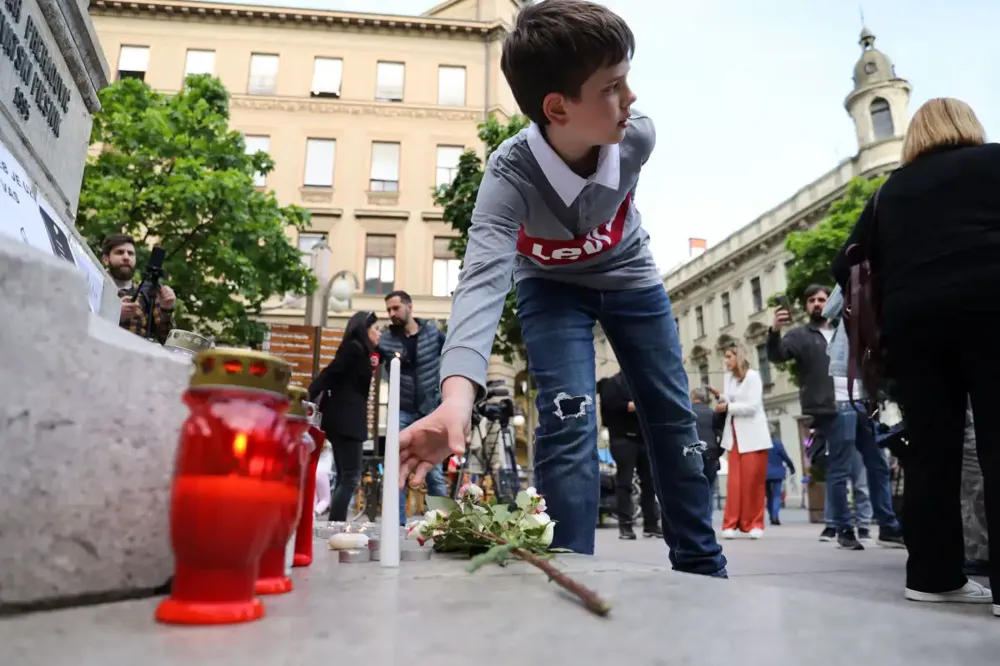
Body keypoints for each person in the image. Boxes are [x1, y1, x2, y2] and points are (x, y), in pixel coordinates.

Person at [397, 0, 726, 577]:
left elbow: (616, 180)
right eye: (613, 86)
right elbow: (480, 279)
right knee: (568, 419)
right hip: (549, 287)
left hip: (630, 278)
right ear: (557, 107)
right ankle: (568, 570)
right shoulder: (508, 175)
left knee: (671, 415)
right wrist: (456, 398)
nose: (632, 99)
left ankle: (702, 566)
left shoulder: (638, 138)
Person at [832, 97, 997, 608]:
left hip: (913, 328)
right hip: (992, 305)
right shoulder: (994, 161)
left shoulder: (888, 192)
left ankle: (932, 576)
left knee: (930, 451)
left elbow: (847, 265)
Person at [768, 284, 903, 550]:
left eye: (822, 299)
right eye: (812, 301)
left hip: (863, 403)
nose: (817, 304)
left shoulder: (849, 330)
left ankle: (887, 526)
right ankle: (843, 529)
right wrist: (774, 330)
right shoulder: (800, 336)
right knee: (840, 469)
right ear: (807, 306)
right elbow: (777, 355)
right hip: (833, 407)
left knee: (877, 464)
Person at [377, 290, 449, 524]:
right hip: (402, 409)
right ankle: (396, 525)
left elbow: (450, 356)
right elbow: (374, 360)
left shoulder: (431, 332)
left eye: (395, 308)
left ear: (409, 307)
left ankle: (445, 523)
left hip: (430, 410)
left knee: (435, 472)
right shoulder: (386, 340)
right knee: (398, 466)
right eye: (388, 310)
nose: (391, 314)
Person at [308, 311, 381, 522]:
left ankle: (336, 523)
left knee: (344, 475)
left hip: (342, 420)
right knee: (350, 476)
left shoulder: (358, 350)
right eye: (374, 328)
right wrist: (311, 392)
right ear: (363, 329)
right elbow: (330, 373)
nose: (378, 333)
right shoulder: (354, 350)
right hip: (347, 420)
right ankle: (336, 524)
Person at [716, 343, 772, 539]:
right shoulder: (728, 378)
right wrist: (720, 397)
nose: (726, 361)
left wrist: (728, 407)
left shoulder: (753, 376)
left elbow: (752, 406)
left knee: (753, 483)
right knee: (734, 484)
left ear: (738, 357)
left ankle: (755, 524)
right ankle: (730, 523)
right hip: (734, 437)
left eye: (729, 356)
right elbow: (730, 399)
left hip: (754, 437)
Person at [597, 372, 661, 540]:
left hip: (644, 437)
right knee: (624, 483)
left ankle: (651, 524)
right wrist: (634, 406)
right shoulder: (613, 384)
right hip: (623, 438)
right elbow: (610, 408)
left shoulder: (644, 380)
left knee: (649, 483)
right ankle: (625, 526)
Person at [101, 234, 175, 344]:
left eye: (130, 253)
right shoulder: (96, 287)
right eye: (120, 252)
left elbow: (166, 340)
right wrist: (114, 314)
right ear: (106, 259)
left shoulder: (148, 294)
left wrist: (166, 308)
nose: (126, 257)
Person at [690, 388, 724, 492]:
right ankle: (708, 508)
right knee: (709, 488)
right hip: (711, 453)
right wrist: (718, 452)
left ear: (692, 398)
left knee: (693, 488)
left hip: (692, 453)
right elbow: (722, 435)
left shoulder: (687, 413)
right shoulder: (713, 413)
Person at [765, 432, 795, 526]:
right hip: (777, 473)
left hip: (764, 474)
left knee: (769, 496)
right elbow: (785, 456)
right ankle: (775, 515)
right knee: (777, 495)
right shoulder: (777, 444)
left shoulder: (761, 445)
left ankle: (771, 516)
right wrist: (791, 467)